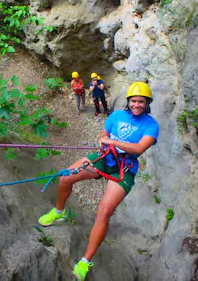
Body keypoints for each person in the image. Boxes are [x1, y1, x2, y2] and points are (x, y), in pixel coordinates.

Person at [38, 82, 159, 281]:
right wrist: (104, 138)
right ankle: (58, 213)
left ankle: (85, 262)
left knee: (103, 211)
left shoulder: (151, 125)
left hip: (124, 169)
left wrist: (112, 142)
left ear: (147, 104)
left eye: (141, 102)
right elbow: (104, 133)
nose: (137, 105)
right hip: (105, 158)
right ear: (128, 102)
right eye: (134, 101)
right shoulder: (116, 116)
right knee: (66, 177)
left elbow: (138, 149)